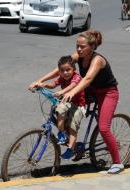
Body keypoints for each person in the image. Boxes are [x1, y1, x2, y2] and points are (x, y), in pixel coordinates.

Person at [28, 29, 124, 174]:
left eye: (82, 46)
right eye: (77, 46)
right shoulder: (78, 56)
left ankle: (117, 162)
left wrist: (72, 91)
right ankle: (71, 142)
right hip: (90, 90)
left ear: (91, 47)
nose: (78, 49)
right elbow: (60, 69)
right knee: (66, 110)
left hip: (107, 93)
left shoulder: (97, 60)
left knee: (104, 128)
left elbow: (87, 79)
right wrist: (40, 81)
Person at [29, 55, 86, 160]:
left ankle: (71, 149)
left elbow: (72, 86)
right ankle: (62, 133)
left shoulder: (76, 77)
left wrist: (62, 92)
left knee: (73, 126)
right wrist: (42, 85)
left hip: (78, 105)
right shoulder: (62, 77)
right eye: (62, 70)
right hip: (66, 102)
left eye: (68, 70)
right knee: (59, 109)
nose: (65, 73)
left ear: (74, 69)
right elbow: (52, 85)